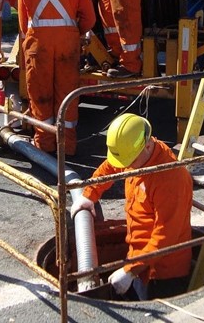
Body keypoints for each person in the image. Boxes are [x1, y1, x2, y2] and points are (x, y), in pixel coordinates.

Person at [71, 113, 193, 300]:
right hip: (137, 260)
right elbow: (110, 167)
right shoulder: (136, 156)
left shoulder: (170, 179)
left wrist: (130, 270)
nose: (125, 167)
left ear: (148, 146)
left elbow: (166, 236)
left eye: (129, 163)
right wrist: (89, 195)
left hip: (163, 274)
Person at [17, 0, 96, 156]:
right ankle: (67, 146)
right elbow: (90, 19)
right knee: (67, 95)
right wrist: (72, 33)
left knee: (40, 95)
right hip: (67, 47)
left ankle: (44, 145)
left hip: (38, 47)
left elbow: (24, 25)